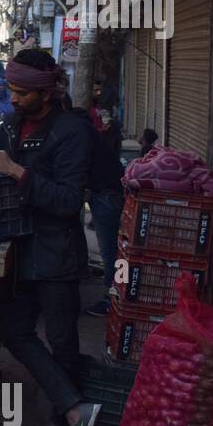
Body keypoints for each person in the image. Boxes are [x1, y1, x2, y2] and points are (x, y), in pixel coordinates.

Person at [0, 49, 102, 426]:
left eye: (21, 92)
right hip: (21, 250)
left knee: (62, 340)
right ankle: (75, 410)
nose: (13, 98)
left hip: (57, 251)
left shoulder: (72, 132)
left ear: (44, 92)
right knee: (14, 331)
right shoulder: (12, 126)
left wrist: (17, 172)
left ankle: (64, 422)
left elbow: (70, 200)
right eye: (12, 90)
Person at [81, 86, 124, 317]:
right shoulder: (93, 137)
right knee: (118, 251)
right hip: (110, 192)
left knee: (112, 252)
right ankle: (118, 294)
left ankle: (114, 298)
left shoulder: (84, 140)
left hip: (107, 196)